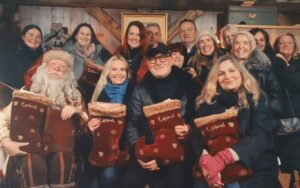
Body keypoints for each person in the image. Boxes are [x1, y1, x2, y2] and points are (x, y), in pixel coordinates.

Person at [0, 49, 85, 188]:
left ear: (68, 74)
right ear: (43, 68)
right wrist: (6, 142)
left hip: (61, 150)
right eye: (53, 64)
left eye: (63, 67)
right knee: (32, 163)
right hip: (30, 149)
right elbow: (2, 116)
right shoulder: (26, 91)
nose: (57, 69)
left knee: (62, 163)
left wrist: (76, 111)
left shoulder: (74, 97)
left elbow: (86, 125)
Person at [194, 55, 279, 188]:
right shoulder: (207, 103)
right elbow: (199, 137)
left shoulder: (257, 98)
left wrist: (223, 158)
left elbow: (259, 136)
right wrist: (206, 161)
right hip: (216, 165)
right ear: (215, 79)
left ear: (241, 73)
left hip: (253, 165)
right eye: (221, 73)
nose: (227, 76)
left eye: (232, 70)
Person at [123, 42, 198, 188]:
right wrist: (140, 153)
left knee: (176, 183)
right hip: (149, 151)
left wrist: (189, 129)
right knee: (128, 182)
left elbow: (198, 117)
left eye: (162, 57)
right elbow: (132, 122)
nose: (157, 63)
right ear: (148, 63)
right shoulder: (141, 88)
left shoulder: (189, 84)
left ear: (170, 59)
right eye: (152, 59)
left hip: (179, 154)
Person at [80, 55, 134, 188]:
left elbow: (136, 125)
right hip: (99, 149)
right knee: (89, 184)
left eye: (122, 70)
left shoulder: (134, 91)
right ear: (108, 72)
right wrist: (90, 127)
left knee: (108, 176)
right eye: (114, 69)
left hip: (123, 151)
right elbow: (89, 128)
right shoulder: (100, 92)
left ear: (127, 73)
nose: (118, 73)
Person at [231, 31, 282, 118]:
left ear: (251, 46)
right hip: (233, 117)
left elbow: (275, 95)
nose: (241, 46)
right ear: (232, 47)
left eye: (245, 43)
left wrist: (263, 113)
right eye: (237, 43)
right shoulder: (226, 67)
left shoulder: (264, 68)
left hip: (260, 117)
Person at [272, 33, 300, 175]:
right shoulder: (273, 63)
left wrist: (284, 64)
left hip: (297, 113)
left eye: (289, 42)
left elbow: (294, 83)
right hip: (281, 114)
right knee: (285, 158)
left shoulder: (297, 63)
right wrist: (281, 63)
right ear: (276, 47)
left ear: (295, 46)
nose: (285, 45)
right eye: (281, 43)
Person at [9, 24, 43, 88]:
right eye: (31, 35)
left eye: (38, 36)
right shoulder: (15, 55)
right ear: (23, 37)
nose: (34, 38)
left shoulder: (43, 56)